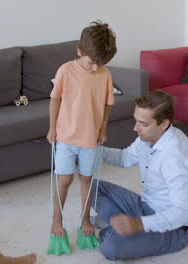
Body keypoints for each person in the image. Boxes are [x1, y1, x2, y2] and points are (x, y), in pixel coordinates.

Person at [91, 90, 188, 260]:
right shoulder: (149, 137)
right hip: (146, 207)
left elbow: (183, 212)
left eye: (143, 123)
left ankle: (112, 226)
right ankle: (117, 226)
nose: (136, 128)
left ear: (163, 124)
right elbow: (124, 158)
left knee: (110, 247)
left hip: (174, 229)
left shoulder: (176, 156)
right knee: (92, 187)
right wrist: (92, 152)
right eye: (136, 121)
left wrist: (138, 224)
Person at [46, 20, 117, 238]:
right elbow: (55, 100)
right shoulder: (65, 70)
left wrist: (103, 129)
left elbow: (107, 105)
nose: (96, 67)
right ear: (80, 51)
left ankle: (85, 219)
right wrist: (52, 128)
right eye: (91, 62)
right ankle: (57, 220)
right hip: (66, 137)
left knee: (87, 180)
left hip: (91, 140)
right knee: (64, 180)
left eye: (101, 63)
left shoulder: (104, 74)